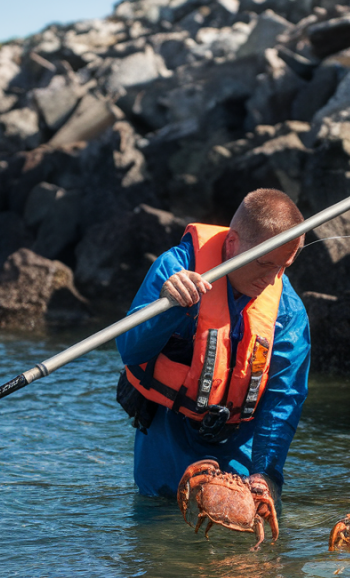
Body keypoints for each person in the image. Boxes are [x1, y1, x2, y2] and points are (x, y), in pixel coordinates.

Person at [116, 188, 311, 504]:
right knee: (160, 535)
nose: (271, 278)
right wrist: (170, 305)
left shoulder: (287, 310)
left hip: (238, 446)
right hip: (167, 438)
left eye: (283, 266)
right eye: (264, 263)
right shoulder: (176, 269)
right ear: (233, 243)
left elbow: (284, 397)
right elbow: (130, 349)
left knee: (242, 545)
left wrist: (267, 474)